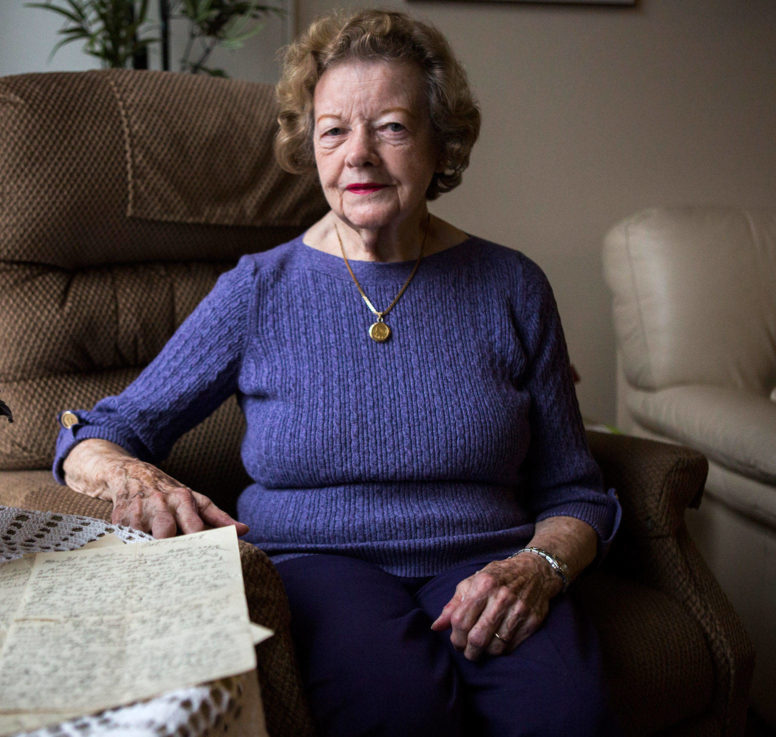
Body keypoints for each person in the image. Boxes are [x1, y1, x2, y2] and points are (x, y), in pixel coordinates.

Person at [54, 8, 621, 736]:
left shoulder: (512, 285)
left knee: (569, 713)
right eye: (333, 130)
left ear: (438, 143)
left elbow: (576, 488)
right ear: (310, 146)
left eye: (390, 126)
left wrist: (539, 565)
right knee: (396, 709)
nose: (359, 155)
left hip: (487, 558)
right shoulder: (260, 289)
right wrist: (133, 479)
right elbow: (106, 430)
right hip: (321, 566)